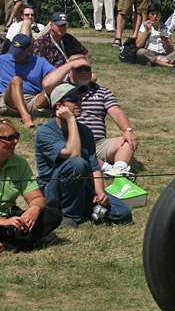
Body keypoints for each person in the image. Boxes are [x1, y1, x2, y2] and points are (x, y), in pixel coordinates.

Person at [35, 83, 132, 226]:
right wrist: (71, 120)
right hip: (53, 188)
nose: (79, 102)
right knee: (77, 163)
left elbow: (94, 167)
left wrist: (100, 193)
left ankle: (84, 207)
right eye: (73, 100)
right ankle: (70, 216)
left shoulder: (85, 132)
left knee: (123, 214)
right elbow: (73, 154)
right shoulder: (45, 132)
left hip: (81, 184)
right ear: (59, 106)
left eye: (80, 99)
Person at [65, 56, 139, 176]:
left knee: (127, 141)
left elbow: (116, 112)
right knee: (76, 148)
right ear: (69, 71)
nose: (84, 72)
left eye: (87, 69)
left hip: (99, 143)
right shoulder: (62, 91)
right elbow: (47, 83)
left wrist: (128, 130)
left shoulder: (102, 91)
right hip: (75, 140)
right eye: (78, 69)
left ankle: (118, 170)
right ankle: (107, 169)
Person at [0, 119, 62, 251]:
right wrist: (2, 222)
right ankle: (19, 242)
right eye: (9, 138)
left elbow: (36, 198)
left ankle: (6, 244)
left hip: (10, 218)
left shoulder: (19, 162)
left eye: (16, 137)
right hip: (3, 222)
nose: (15, 142)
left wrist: (33, 210)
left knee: (53, 215)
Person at [0, 33, 84, 128]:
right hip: (9, 100)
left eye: (19, 52)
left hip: (33, 100)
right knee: (16, 80)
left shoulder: (39, 62)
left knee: (52, 84)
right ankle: (26, 117)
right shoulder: (2, 60)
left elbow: (55, 75)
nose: (16, 55)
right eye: (14, 51)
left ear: (28, 50)